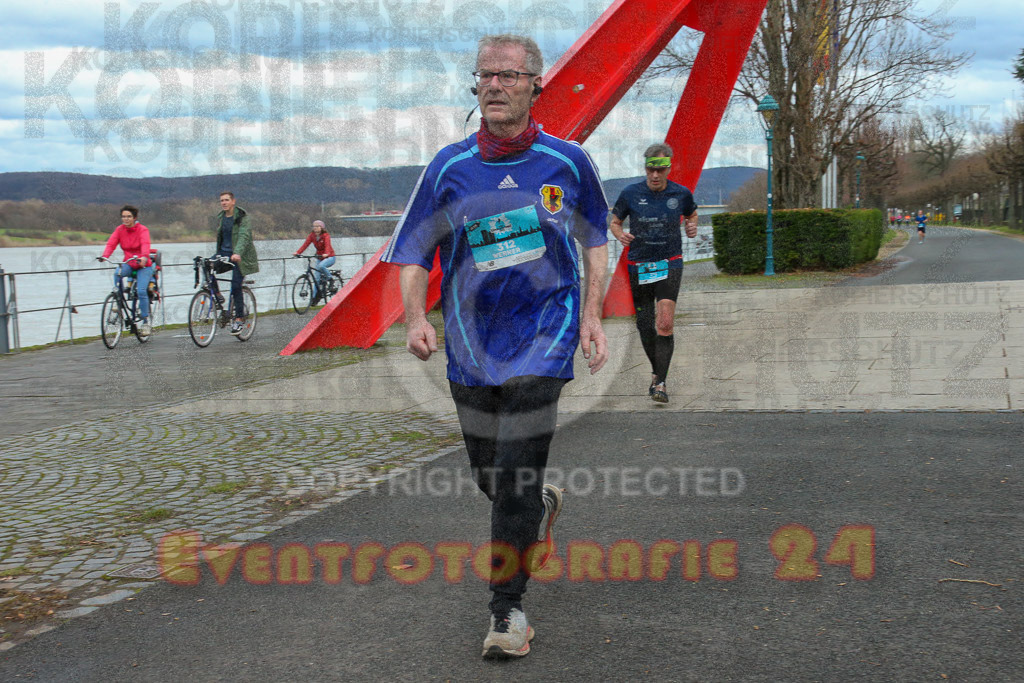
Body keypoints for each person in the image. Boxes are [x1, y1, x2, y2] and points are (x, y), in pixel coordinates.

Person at [381, 34, 609, 659]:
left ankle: (506, 611)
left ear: (537, 85)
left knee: (511, 474)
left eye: (510, 76)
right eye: (486, 75)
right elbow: (411, 252)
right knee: (493, 473)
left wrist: (590, 316)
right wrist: (413, 319)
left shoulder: (568, 162)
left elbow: (595, 245)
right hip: (472, 344)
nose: (495, 85)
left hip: (546, 332)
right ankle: (534, 505)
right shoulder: (449, 168)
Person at [609, 144, 697, 403]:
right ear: (645, 168)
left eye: (660, 169)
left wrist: (691, 227)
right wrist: (619, 235)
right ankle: (657, 372)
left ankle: (661, 383)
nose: (655, 175)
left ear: (668, 168)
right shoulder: (630, 193)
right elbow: (614, 222)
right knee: (644, 324)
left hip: (670, 262)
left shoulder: (680, 193)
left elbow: (692, 214)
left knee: (665, 323)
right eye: (650, 169)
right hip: (639, 264)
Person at [98, 205, 155, 335]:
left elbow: (146, 245)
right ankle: (117, 300)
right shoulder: (119, 230)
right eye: (123, 216)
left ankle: (146, 322)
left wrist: (144, 258)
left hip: (143, 265)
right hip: (129, 262)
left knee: (141, 291)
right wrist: (104, 256)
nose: (126, 219)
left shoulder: (142, 230)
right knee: (117, 272)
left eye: (129, 216)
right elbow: (111, 244)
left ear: (134, 218)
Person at [210, 192, 259, 334]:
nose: (224, 203)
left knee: (236, 286)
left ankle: (239, 318)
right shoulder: (221, 218)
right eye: (221, 201)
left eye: (226, 200)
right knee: (207, 266)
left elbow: (244, 236)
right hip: (224, 254)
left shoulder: (242, 217)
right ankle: (218, 295)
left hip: (240, 255)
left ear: (233, 201)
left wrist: (237, 252)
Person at [294, 219, 336, 302]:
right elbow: (305, 245)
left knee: (321, 266)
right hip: (320, 257)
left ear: (322, 227)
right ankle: (314, 298)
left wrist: (327, 253)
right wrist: (298, 252)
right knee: (316, 279)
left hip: (330, 257)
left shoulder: (325, 235)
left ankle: (330, 279)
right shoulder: (312, 236)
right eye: (314, 226)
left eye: (317, 226)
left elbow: (327, 245)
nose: (315, 228)